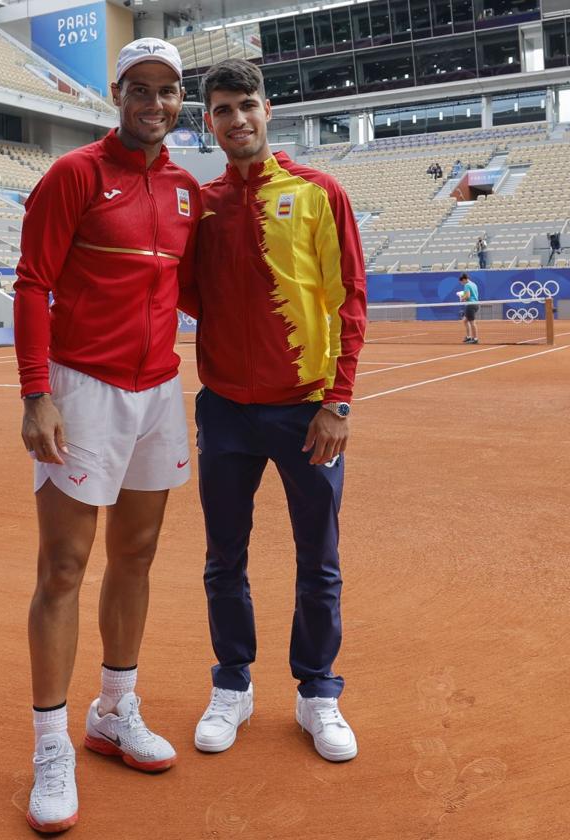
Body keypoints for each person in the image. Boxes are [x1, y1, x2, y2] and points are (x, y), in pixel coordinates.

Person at [12, 38, 199, 834]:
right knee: (63, 567)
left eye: (167, 91)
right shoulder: (74, 175)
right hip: (82, 387)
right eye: (139, 89)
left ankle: (114, 710)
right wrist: (36, 394)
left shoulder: (190, 190)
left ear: (179, 100)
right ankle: (50, 745)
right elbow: (32, 285)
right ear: (116, 94)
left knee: (139, 554)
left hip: (158, 388)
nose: (153, 104)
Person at [182, 58, 367, 764]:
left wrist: (337, 401)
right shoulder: (202, 205)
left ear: (269, 110)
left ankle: (318, 691)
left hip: (307, 413)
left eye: (247, 105)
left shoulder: (320, 193)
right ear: (210, 122)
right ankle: (232, 683)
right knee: (223, 557)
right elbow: (195, 296)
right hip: (225, 409)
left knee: (318, 559)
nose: (237, 119)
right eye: (223, 109)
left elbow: (350, 298)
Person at [457, 272, 480, 344]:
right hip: (476, 304)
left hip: (471, 305)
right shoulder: (474, 284)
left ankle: (475, 338)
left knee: (472, 322)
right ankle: (468, 337)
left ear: (464, 280)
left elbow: (467, 296)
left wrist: (462, 298)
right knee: (464, 321)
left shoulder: (467, 285)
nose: (462, 284)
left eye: (462, 282)